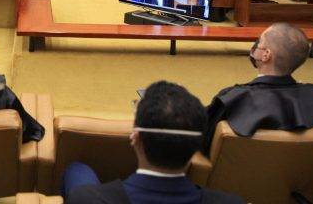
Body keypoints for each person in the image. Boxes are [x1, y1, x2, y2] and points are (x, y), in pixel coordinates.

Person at [63, 81, 243, 204]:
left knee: (77, 170)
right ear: (197, 145)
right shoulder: (232, 202)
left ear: (135, 138)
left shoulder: (85, 198)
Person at [203, 23, 313, 161]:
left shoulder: (233, 98)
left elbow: (202, 142)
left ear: (266, 55)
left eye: (259, 42)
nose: (255, 45)